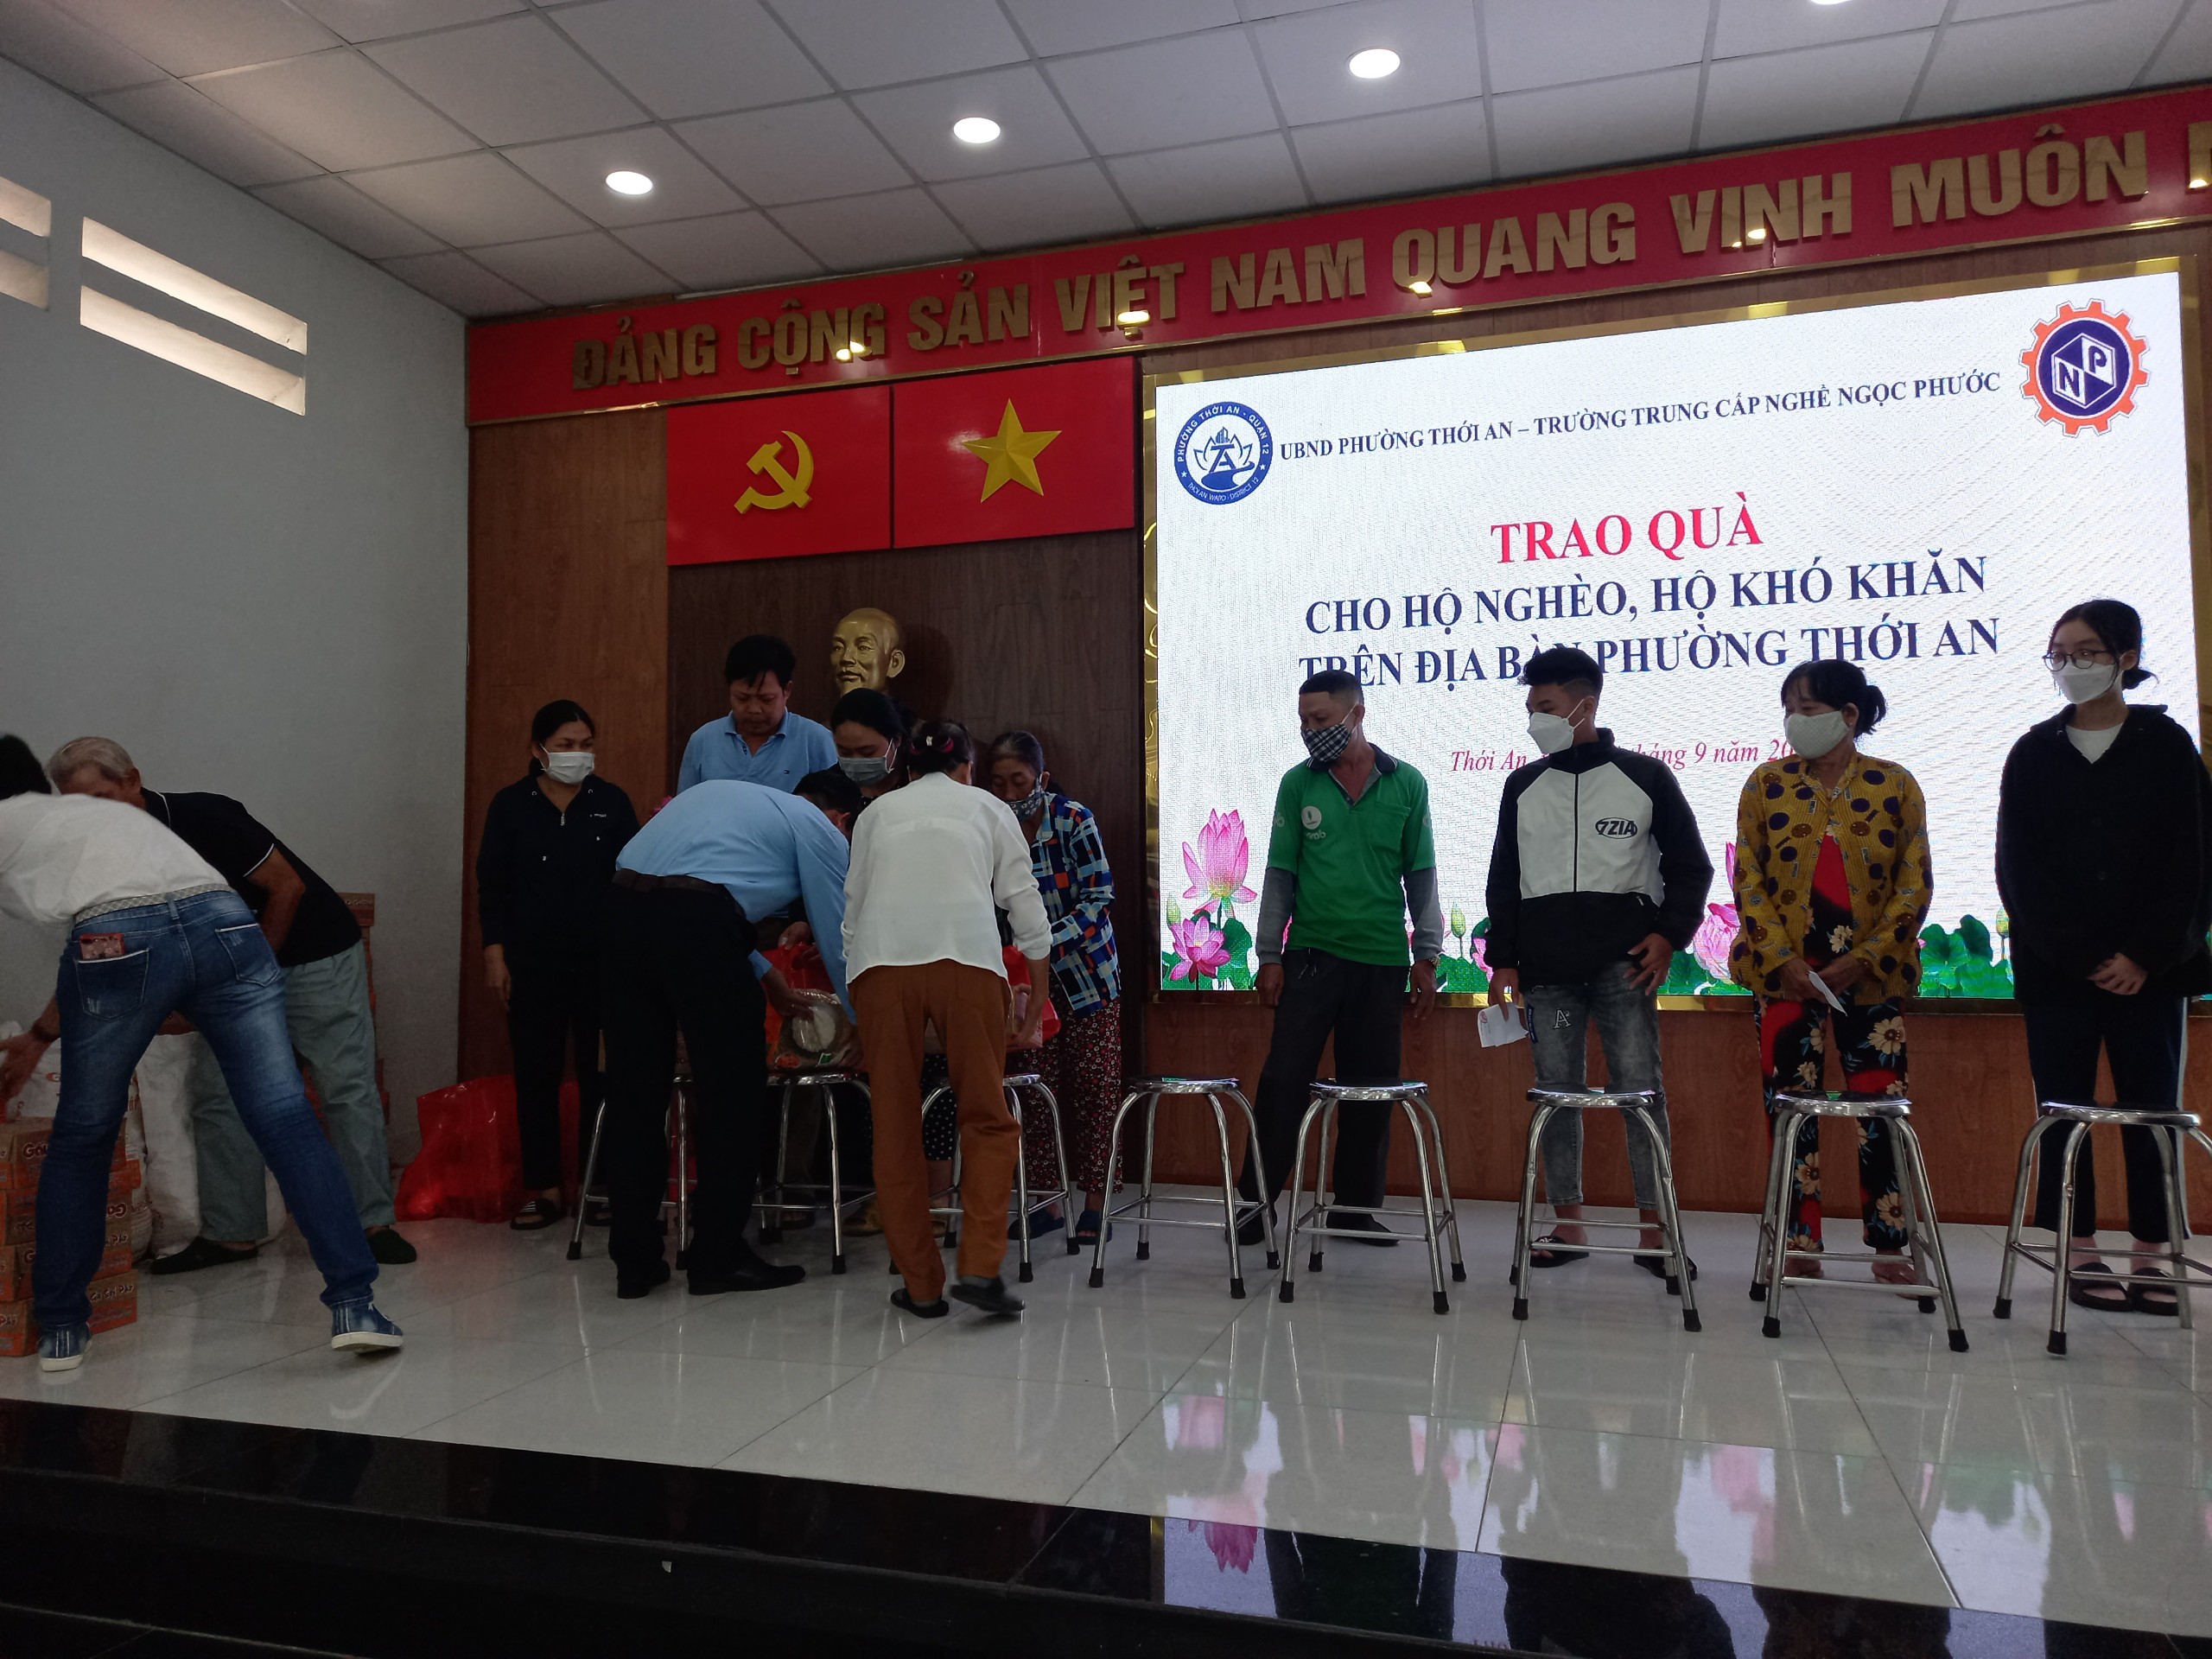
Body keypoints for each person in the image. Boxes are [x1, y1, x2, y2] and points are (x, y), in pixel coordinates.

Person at [0, 736, 399, 1370]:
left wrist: (50, 1030)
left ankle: (63, 1328)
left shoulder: (15, 824)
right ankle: (356, 1304)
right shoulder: (98, 816)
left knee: (83, 1134)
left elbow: (102, 942)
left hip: (119, 938)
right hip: (227, 924)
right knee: (286, 1118)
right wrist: (43, 1034)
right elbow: (104, 941)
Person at [1997, 599, 2212, 1314]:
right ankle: (2078, 1246)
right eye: (2059, 653)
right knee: (2065, 1109)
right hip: (2059, 971)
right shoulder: (2033, 751)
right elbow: (2019, 871)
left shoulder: (2166, 745)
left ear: (2126, 657)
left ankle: (2154, 1252)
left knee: (2152, 1112)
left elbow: (2193, 862)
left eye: (2086, 651)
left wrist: (2144, 954)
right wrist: (2086, 955)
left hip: (2153, 972)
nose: (2070, 665)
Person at [1485, 648, 1710, 1271]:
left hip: (1623, 968)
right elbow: (1504, 878)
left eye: (1547, 707)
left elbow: (1690, 866)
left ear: (1586, 705)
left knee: (1639, 1090)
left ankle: (1654, 1233)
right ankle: (1569, 1225)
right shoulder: (1522, 785)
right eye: (1530, 708)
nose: (1535, 719)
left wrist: (1670, 935)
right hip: (1549, 977)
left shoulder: (1646, 776)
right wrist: (1504, 959)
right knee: (1557, 1093)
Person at [600, 767, 855, 1299]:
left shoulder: (723, 798)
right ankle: (717, 1256)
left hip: (619, 913)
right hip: (696, 926)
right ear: (843, 820)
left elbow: (688, 888)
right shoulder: (822, 829)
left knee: (635, 1095)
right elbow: (838, 936)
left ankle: (634, 1261)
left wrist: (763, 972)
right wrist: (861, 1021)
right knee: (731, 1093)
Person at [1729, 660, 1931, 1284]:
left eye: (1809, 709)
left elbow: (1914, 883)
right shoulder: (1766, 784)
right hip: (1784, 980)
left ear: (1848, 715)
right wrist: (1782, 960)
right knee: (1790, 1112)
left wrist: (1864, 958)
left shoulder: (1894, 784)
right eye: (1789, 709)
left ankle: (1892, 1248)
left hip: (1872, 979)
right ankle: (1799, 1241)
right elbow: (1748, 879)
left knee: (1881, 1112)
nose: (1796, 721)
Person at [843, 721, 1051, 1319]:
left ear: (906, 769)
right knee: (985, 1116)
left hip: (882, 968)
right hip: (969, 964)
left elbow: (852, 911)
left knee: (895, 1125)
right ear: (966, 767)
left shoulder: (876, 815)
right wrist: (1036, 996)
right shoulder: (988, 808)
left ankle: (921, 1287)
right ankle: (980, 1267)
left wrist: (859, 999)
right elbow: (1023, 902)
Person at [1239, 669, 1440, 1246]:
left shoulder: (1407, 783)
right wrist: (1268, 954)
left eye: (1321, 719)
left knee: (1369, 1091)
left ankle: (1353, 1210)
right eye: (1304, 720)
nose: (1310, 730)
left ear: (1357, 714)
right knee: (1282, 1083)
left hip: (1382, 960)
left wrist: (1427, 954)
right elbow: (1280, 874)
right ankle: (1253, 1206)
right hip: (1310, 958)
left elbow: (1421, 875)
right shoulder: (1297, 783)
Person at [476, 700, 638, 1230]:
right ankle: (543, 1188)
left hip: (601, 962)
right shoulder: (510, 805)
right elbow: (493, 886)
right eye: (566, 745)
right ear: (538, 749)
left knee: (602, 1077)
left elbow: (633, 880)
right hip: (531, 962)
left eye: (586, 744)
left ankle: (600, 1185)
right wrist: (495, 956)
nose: (577, 754)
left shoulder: (611, 802)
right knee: (536, 1074)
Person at [985, 730, 1122, 1244]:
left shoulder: (1073, 819)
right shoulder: (988, 827)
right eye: (997, 783)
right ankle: (1043, 1202)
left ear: (1041, 778)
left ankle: (1096, 1204)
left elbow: (1098, 898)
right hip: (1021, 983)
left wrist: (1041, 944)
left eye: (1019, 782)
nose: (1008, 793)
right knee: (1032, 1091)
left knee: (1095, 1092)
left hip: (1087, 979)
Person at [677, 634, 836, 794]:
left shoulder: (815, 741)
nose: (754, 709)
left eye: (766, 699)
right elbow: (685, 805)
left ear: (787, 690)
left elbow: (833, 805)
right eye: (742, 698)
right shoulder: (703, 741)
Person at [830, 688, 907, 813]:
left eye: (867, 753)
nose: (856, 761)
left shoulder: (918, 783)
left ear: (896, 740)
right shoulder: (828, 789)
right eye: (845, 753)